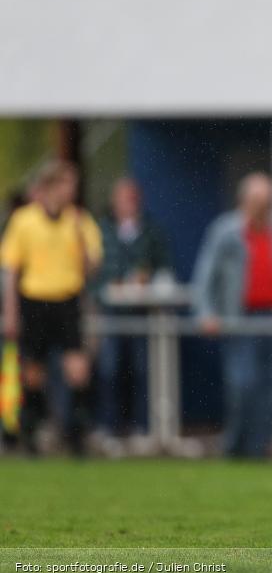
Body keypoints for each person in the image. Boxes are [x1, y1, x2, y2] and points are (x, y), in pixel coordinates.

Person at [0, 160, 103, 454]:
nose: (71, 190)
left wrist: (82, 243)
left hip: (67, 301)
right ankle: (31, 434)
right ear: (50, 187)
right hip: (34, 301)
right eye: (66, 184)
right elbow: (10, 271)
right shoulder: (24, 221)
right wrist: (10, 312)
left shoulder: (79, 221)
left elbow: (93, 268)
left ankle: (77, 435)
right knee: (33, 372)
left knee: (77, 369)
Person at [192, 172, 272, 458]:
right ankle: (235, 447)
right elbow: (205, 276)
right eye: (259, 199)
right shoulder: (225, 231)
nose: (264, 206)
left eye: (268, 200)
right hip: (239, 319)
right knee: (243, 384)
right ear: (245, 200)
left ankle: (260, 449)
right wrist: (206, 313)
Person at [93, 177, 172, 440]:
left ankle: (142, 428)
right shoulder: (100, 230)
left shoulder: (151, 230)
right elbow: (92, 273)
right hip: (111, 312)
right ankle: (109, 428)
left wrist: (147, 277)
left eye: (133, 198)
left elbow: (164, 268)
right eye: (124, 198)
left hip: (142, 310)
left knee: (143, 369)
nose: (129, 204)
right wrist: (107, 285)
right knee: (109, 369)